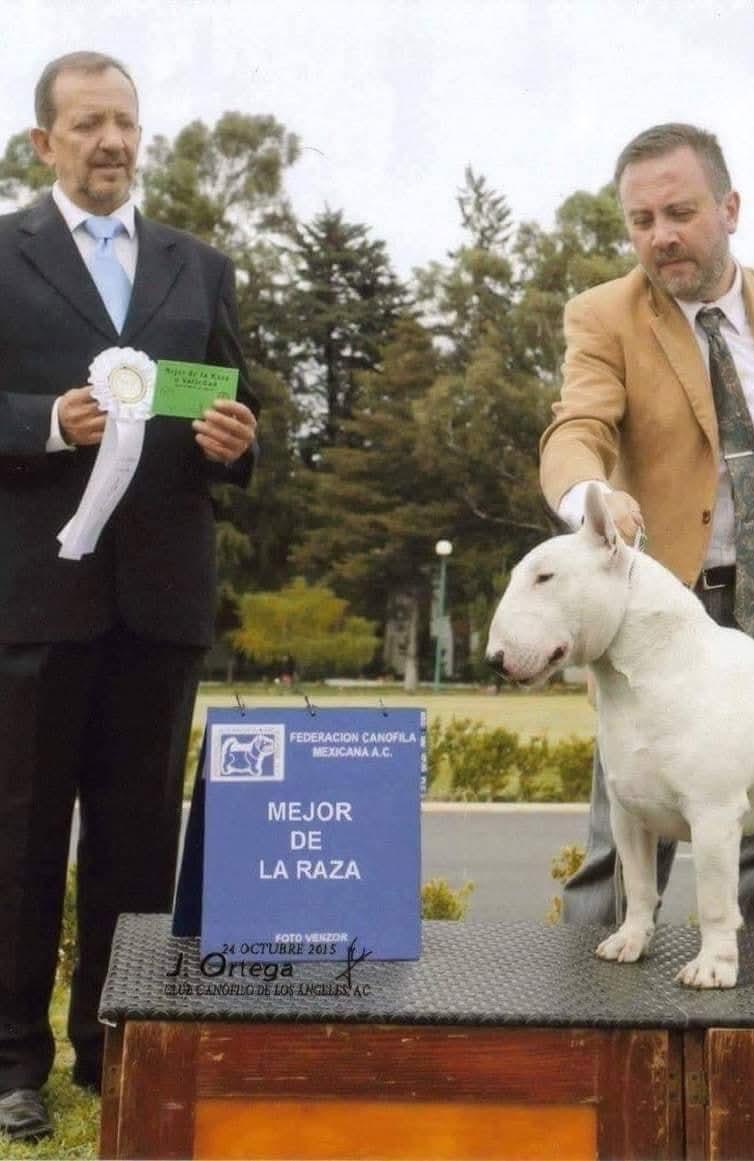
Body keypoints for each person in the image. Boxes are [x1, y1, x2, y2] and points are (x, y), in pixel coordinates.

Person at [0, 52, 258, 1141]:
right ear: (43, 143)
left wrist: (238, 443)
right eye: (88, 124)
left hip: (160, 603)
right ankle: (13, 1063)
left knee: (138, 840)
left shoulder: (198, 267)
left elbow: (232, 410)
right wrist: (46, 424)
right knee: (17, 837)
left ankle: (120, 1044)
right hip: (31, 600)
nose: (112, 142)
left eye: (126, 123)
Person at [539, 123, 754, 932]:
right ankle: (591, 1018)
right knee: (626, 824)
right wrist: (589, 497)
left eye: (679, 211)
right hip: (658, 608)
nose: (661, 235)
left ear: (730, 207)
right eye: (641, 221)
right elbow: (578, 427)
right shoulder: (602, 315)